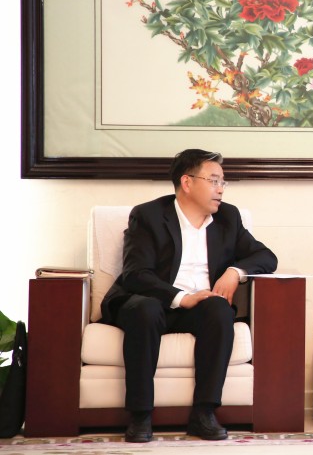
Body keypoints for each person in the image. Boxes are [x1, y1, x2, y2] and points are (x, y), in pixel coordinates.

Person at [100, 149, 278, 443]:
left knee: (220, 310)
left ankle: (204, 413)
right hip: (151, 301)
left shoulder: (228, 217)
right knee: (145, 310)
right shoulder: (148, 216)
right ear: (187, 182)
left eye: (223, 182)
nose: (221, 189)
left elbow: (266, 257)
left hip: (199, 308)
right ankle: (140, 414)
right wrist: (182, 297)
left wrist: (234, 272)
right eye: (214, 180)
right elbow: (136, 274)